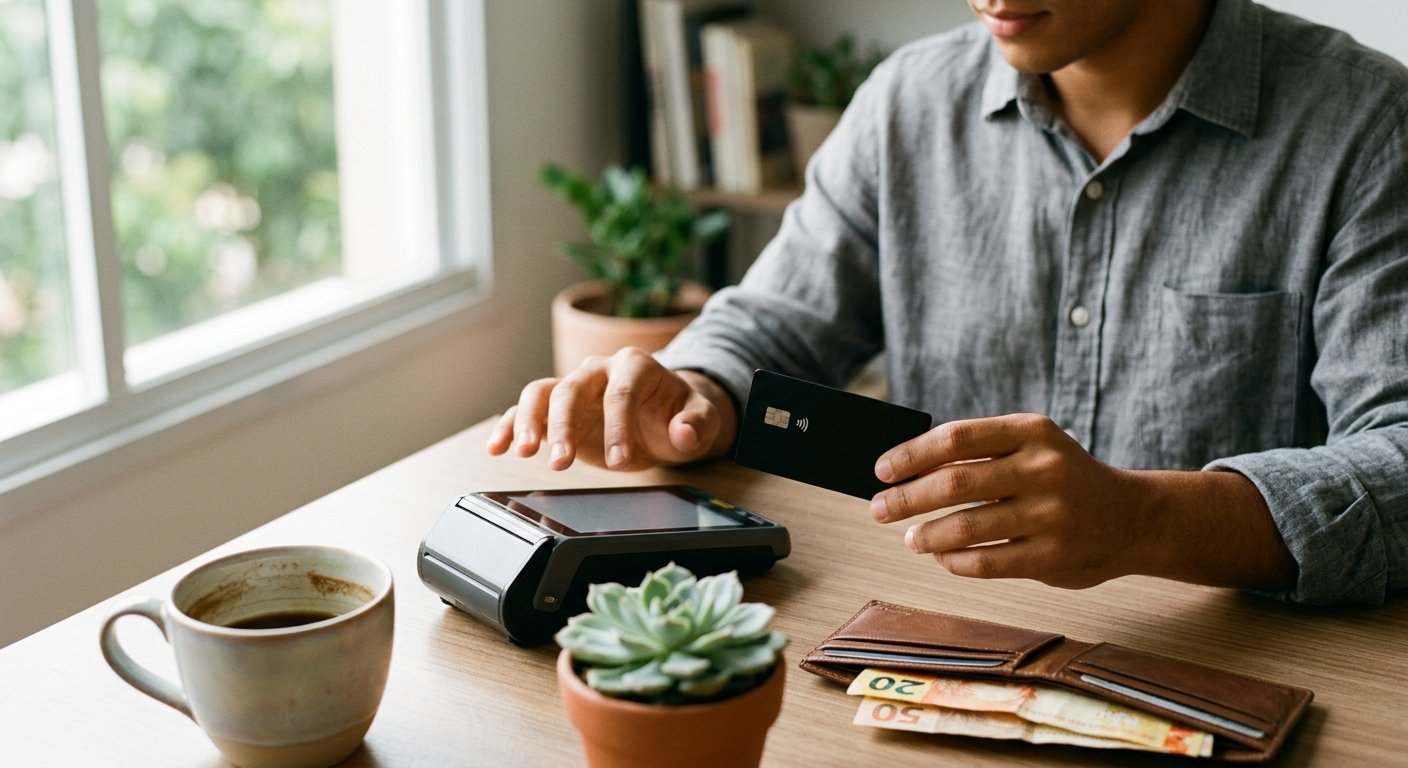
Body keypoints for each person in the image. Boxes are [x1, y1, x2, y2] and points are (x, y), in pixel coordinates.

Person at [489, 0, 1408, 605]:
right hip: (927, 650)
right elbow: (776, 322)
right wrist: (693, 392)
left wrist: (1142, 521)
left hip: (1232, 676)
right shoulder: (908, 101)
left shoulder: (1366, 126)